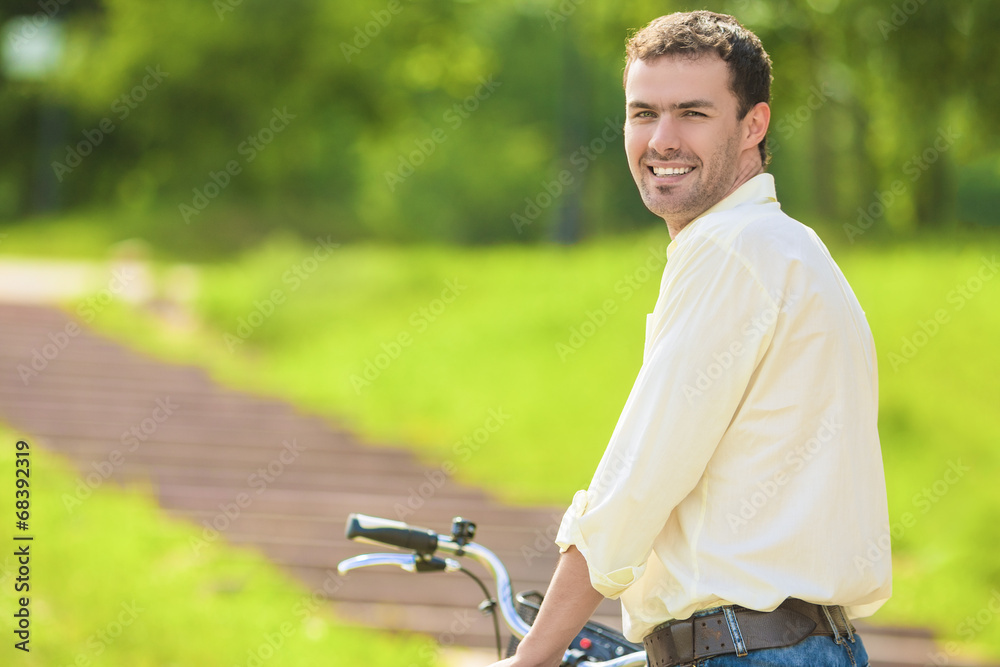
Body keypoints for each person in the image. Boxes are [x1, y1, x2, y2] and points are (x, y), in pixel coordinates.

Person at [488, 10, 891, 667]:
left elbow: (636, 485)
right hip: (806, 644)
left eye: (693, 114)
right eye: (643, 113)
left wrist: (533, 655)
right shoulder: (791, 248)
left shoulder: (732, 250)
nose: (662, 140)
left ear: (753, 125)